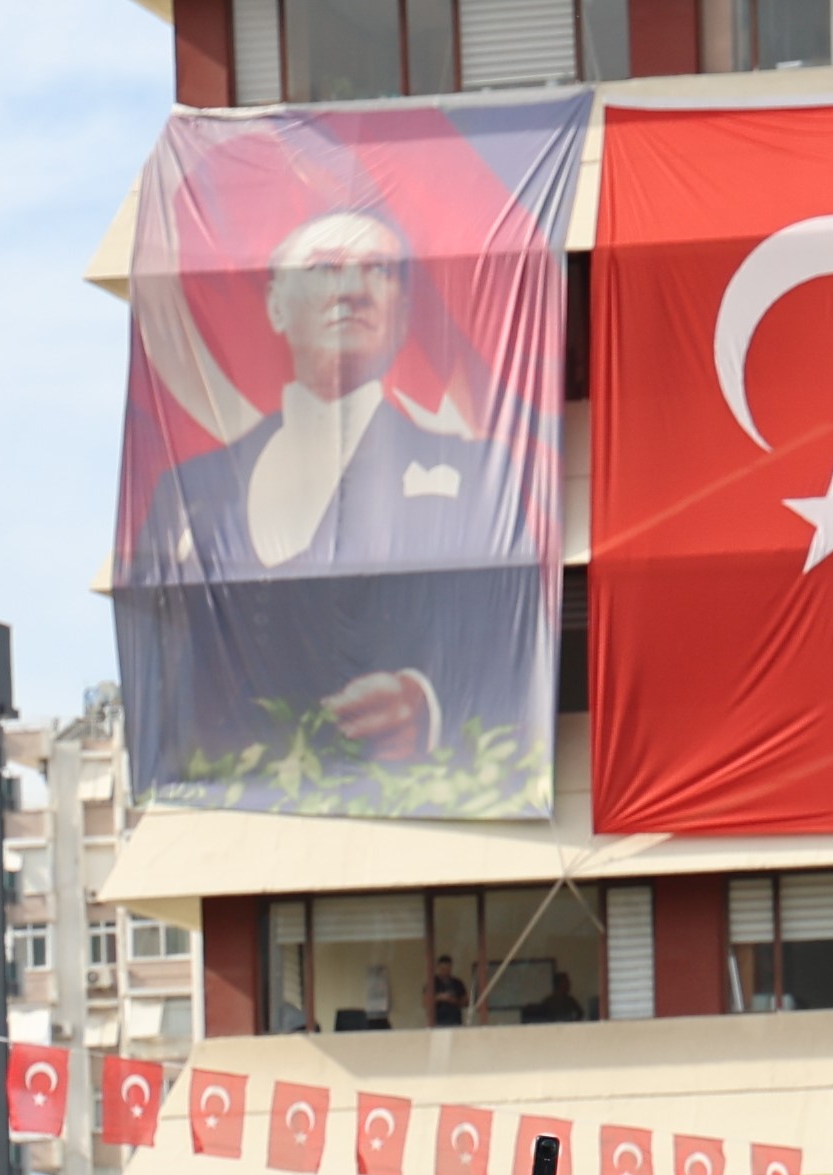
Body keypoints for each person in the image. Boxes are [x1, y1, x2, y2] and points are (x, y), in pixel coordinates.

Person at [126, 193, 554, 794]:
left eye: (377, 271)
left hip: (417, 806)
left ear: (402, 314)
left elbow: (514, 643)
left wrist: (430, 706)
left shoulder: (476, 475)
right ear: (276, 304)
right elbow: (160, 667)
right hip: (237, 817)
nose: (352, 289)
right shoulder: (189, 494)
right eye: (326, 268)